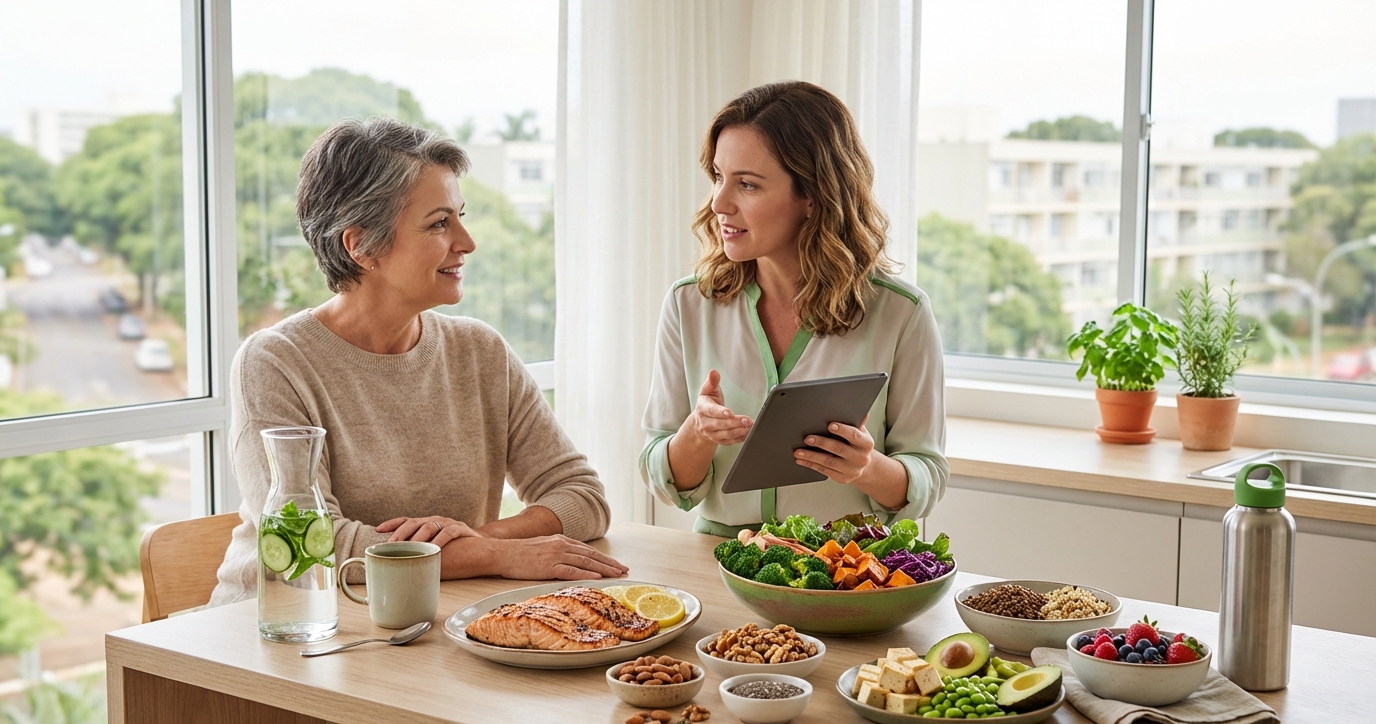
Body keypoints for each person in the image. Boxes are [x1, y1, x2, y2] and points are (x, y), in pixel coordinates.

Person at [210, 117, 625, 606]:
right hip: (283, 631)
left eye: (459, 216)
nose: (466, 242)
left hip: (424, 622)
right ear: (360, 245)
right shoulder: (275, 362)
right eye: (439, 223)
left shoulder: (480, 351)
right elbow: (313, 545)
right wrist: (493, 557)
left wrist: (483, 542)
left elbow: (582, 497)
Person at [639, 81, 949, 537]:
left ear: (812, 195)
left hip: (845, 573)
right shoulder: (689, 304)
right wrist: (698, 434)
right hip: (720, 563)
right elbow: (665, 479)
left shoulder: (901, 313)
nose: (719, 204)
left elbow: (927, 474)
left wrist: (866, 467)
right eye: (718, 178)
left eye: (747, 184)